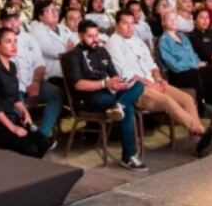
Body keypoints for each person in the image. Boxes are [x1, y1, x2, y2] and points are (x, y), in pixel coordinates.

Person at [106, 10, 212, 157]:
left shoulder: (137, 41)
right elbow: (125, 74)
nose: (130, 27)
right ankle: (204, 132)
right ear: (117, 25)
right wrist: (150, 84)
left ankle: (200, 143)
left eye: (132, 23)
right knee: (168, 101)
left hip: (154, 83)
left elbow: (152, 64)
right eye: (125, 24)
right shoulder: (112, 44)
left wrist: (159, 79)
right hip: (136, 90)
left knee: (186, 99)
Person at [61, 20, 147, 171]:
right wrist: (105, 84)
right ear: (80, 35)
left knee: (138, 85)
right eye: (90, 36)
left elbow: (114, 75)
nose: (95, 40)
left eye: (97, 35)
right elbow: (78, 85)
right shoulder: (72, 56)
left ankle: (118, 106)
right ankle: (129, 156)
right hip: (88, 98)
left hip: (110, 92)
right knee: (127, 109)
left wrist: (121, 84)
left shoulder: (102, 51)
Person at [0, 7, 61, 138]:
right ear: (1, 22)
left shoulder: (29, 38)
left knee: (56, 94)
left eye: (16, 19)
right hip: (8, 88)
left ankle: (43, 134)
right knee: (16, 108)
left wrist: (36, 82)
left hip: (32, 81)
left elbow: (39, 63)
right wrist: (0, 89)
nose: (14, 23)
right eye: (9, 20)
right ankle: (27, 137)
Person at [0, 27, 53, 158]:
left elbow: (15, 97)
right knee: (30, 148)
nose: (14, 45)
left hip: (11, 116)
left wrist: (25, 112)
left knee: (45, 143)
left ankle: (33, 168)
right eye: (8, 42)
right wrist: (13, 128)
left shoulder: (12, 66)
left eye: (15, 41)